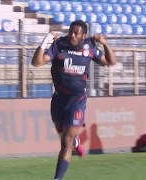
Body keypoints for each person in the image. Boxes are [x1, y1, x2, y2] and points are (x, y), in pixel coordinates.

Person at [31, 20, 116, 180]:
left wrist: (104, 43)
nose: (72, 35)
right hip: (59, 99)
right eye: (71, 32)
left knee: (65, 142)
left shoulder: (89, 46)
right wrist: (46, 40)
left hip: (77, 99)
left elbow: (111, 62)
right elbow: (36, 62)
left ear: (83, 35)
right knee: (64, 136)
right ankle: (76, 143)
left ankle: (57, 178)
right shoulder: (59, 44)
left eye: (76, 33)